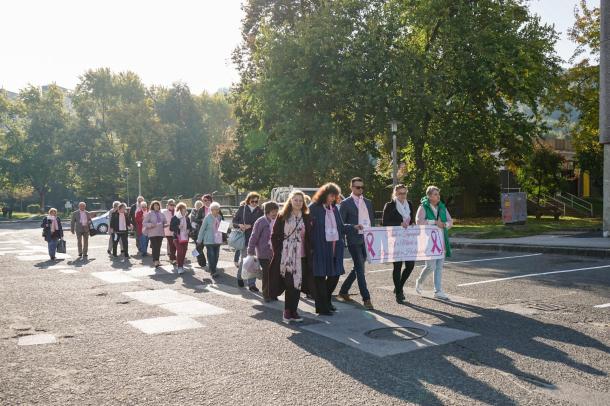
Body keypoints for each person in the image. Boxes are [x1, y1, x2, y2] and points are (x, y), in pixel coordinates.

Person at [309, 183, 362, 315]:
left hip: (335, 248)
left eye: (335, 196)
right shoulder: (314, 208)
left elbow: (340, 227)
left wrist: (353, 227)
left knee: (335, 275)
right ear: (324, 194)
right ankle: (322, 307)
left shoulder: (334, 208)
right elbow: (308, 229)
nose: (333, 198)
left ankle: (326, 301)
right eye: (331, 195)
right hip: (320, 248)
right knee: (320, 278)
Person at [269, 191, 313, 322]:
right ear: (291, 201)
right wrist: (279, 251)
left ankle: (294, 311)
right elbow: (274, 235)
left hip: (302, 256)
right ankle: (287, 311)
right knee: (289, 284)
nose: (298, 202)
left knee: (297, 284)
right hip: (286, 257)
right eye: (296, 200)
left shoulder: (306, 216)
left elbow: (309, 236)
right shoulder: (282, 215)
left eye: (300, 200)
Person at [338, 177, 375, 310]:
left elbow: (371, 221)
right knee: (360, 268)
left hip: (367, 239)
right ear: (351, 187)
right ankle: (366, 298)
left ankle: (343, 290)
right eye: (357, 187)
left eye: (362, 187)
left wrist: (374, 237)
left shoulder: (368, 202)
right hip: (353, 239)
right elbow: (341, 224)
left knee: (358, 267)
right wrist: (352, 227)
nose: (360, 189)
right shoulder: (345, 203)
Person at [415, 186, 453, 300]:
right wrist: (435, 222)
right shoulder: (423, 207)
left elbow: (450, 221)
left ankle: (438, 291)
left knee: (439, 267)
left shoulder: (442, 207)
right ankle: (420, 281)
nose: (438, 196)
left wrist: (445, 225)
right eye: (435, 194)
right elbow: (419, 222)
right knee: (431, 266)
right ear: (429, 196)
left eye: (438, 194)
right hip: (429, 242)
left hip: (441, 240)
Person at [382, 184, 416, 304]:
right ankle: (399, 293)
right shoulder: (390, 205)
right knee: (397, 266)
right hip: (395, 240)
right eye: (400, 193)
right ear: (395, 194)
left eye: (404, 193)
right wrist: (399, 223)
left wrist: (412, 224)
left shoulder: (410, 204)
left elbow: (412, 220)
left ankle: (398, 287)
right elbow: (385, 222)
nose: (403, 196)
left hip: (408, 240)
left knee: (410, 265)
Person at [248, 201, 279, 302]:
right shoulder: (261, 221)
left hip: (275, 253)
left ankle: (273, 293)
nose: (275, 213)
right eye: (272, 211)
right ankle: (266, 294)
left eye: (276, 211)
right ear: (267, 212)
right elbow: (254, 237)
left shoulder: (278, 221)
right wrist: (250, 250)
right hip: (263, 253)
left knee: (274, 274)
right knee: (267, 274)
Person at [233, 192, 263, 291]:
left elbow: (262, 223)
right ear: (248, 200)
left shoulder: (260, 211)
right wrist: (240, 225)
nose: (254, 203)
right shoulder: (242, 209)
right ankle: (240, 276)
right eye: (252, 201)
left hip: (256, 240)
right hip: (245, 239)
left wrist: (251, 226)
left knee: (254, 261)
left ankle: (252, 284)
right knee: (244, 260)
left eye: (256, 201)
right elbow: (234, 222)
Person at [196, 202, 224, 278]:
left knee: (216, 256)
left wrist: (224, 231)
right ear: (211, 210)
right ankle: (213, 271)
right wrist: (199, 240)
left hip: (217, 240)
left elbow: (222, 229)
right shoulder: (207, 218)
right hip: (209, 240)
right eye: (215, 209)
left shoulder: (219, 217)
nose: (217, 211)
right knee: (211, 255)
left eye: (218, 209)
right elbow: (202, 229)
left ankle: (213, 268)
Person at [170, 202, 193, 275]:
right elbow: (171, 228)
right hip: (177, 237)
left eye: (185, 209)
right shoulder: (175, 217)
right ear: (179, 209)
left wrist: (189, 230)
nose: (184, 210)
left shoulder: (187, 218)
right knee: (180, 251)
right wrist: (177, 227)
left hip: (185, 237)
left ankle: (181, 265)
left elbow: (189, 227)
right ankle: (179, 267)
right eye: (183, 209)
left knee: (184, 252)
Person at [143, 201, 167, 267]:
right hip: (152, 233)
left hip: (160, 233)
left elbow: (165, 222)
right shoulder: (149, 213)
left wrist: (166, 224)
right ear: (152, 206)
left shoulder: (161, 213)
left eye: (157, 205)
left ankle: (157, 260)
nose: (156, 207)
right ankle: (155, 260)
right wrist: (151, 224)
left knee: (158, 247)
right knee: (155, 247)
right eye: (155, 205)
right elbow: (144, 223)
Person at [191, 200, 207, 268]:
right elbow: (193, 220)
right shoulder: (193, 211)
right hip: (195, 233)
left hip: (203, 232)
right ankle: (202, 263)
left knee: (199, 247)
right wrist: (201, 220)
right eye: (197, 205)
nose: (198, 207)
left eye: (200, 205)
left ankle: (201, 261)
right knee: (199, 247)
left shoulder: (203, 211)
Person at [162, 199, 177, 265]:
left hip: (176, 231)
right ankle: (172, 259)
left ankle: (173, 258)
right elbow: (161, 221)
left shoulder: (177, 211)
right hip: (168, 231)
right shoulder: (164, 212)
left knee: (175, 245)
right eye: (171, 205)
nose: (172, 206)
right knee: (171, 245)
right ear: (168, 205)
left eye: (174, 205)